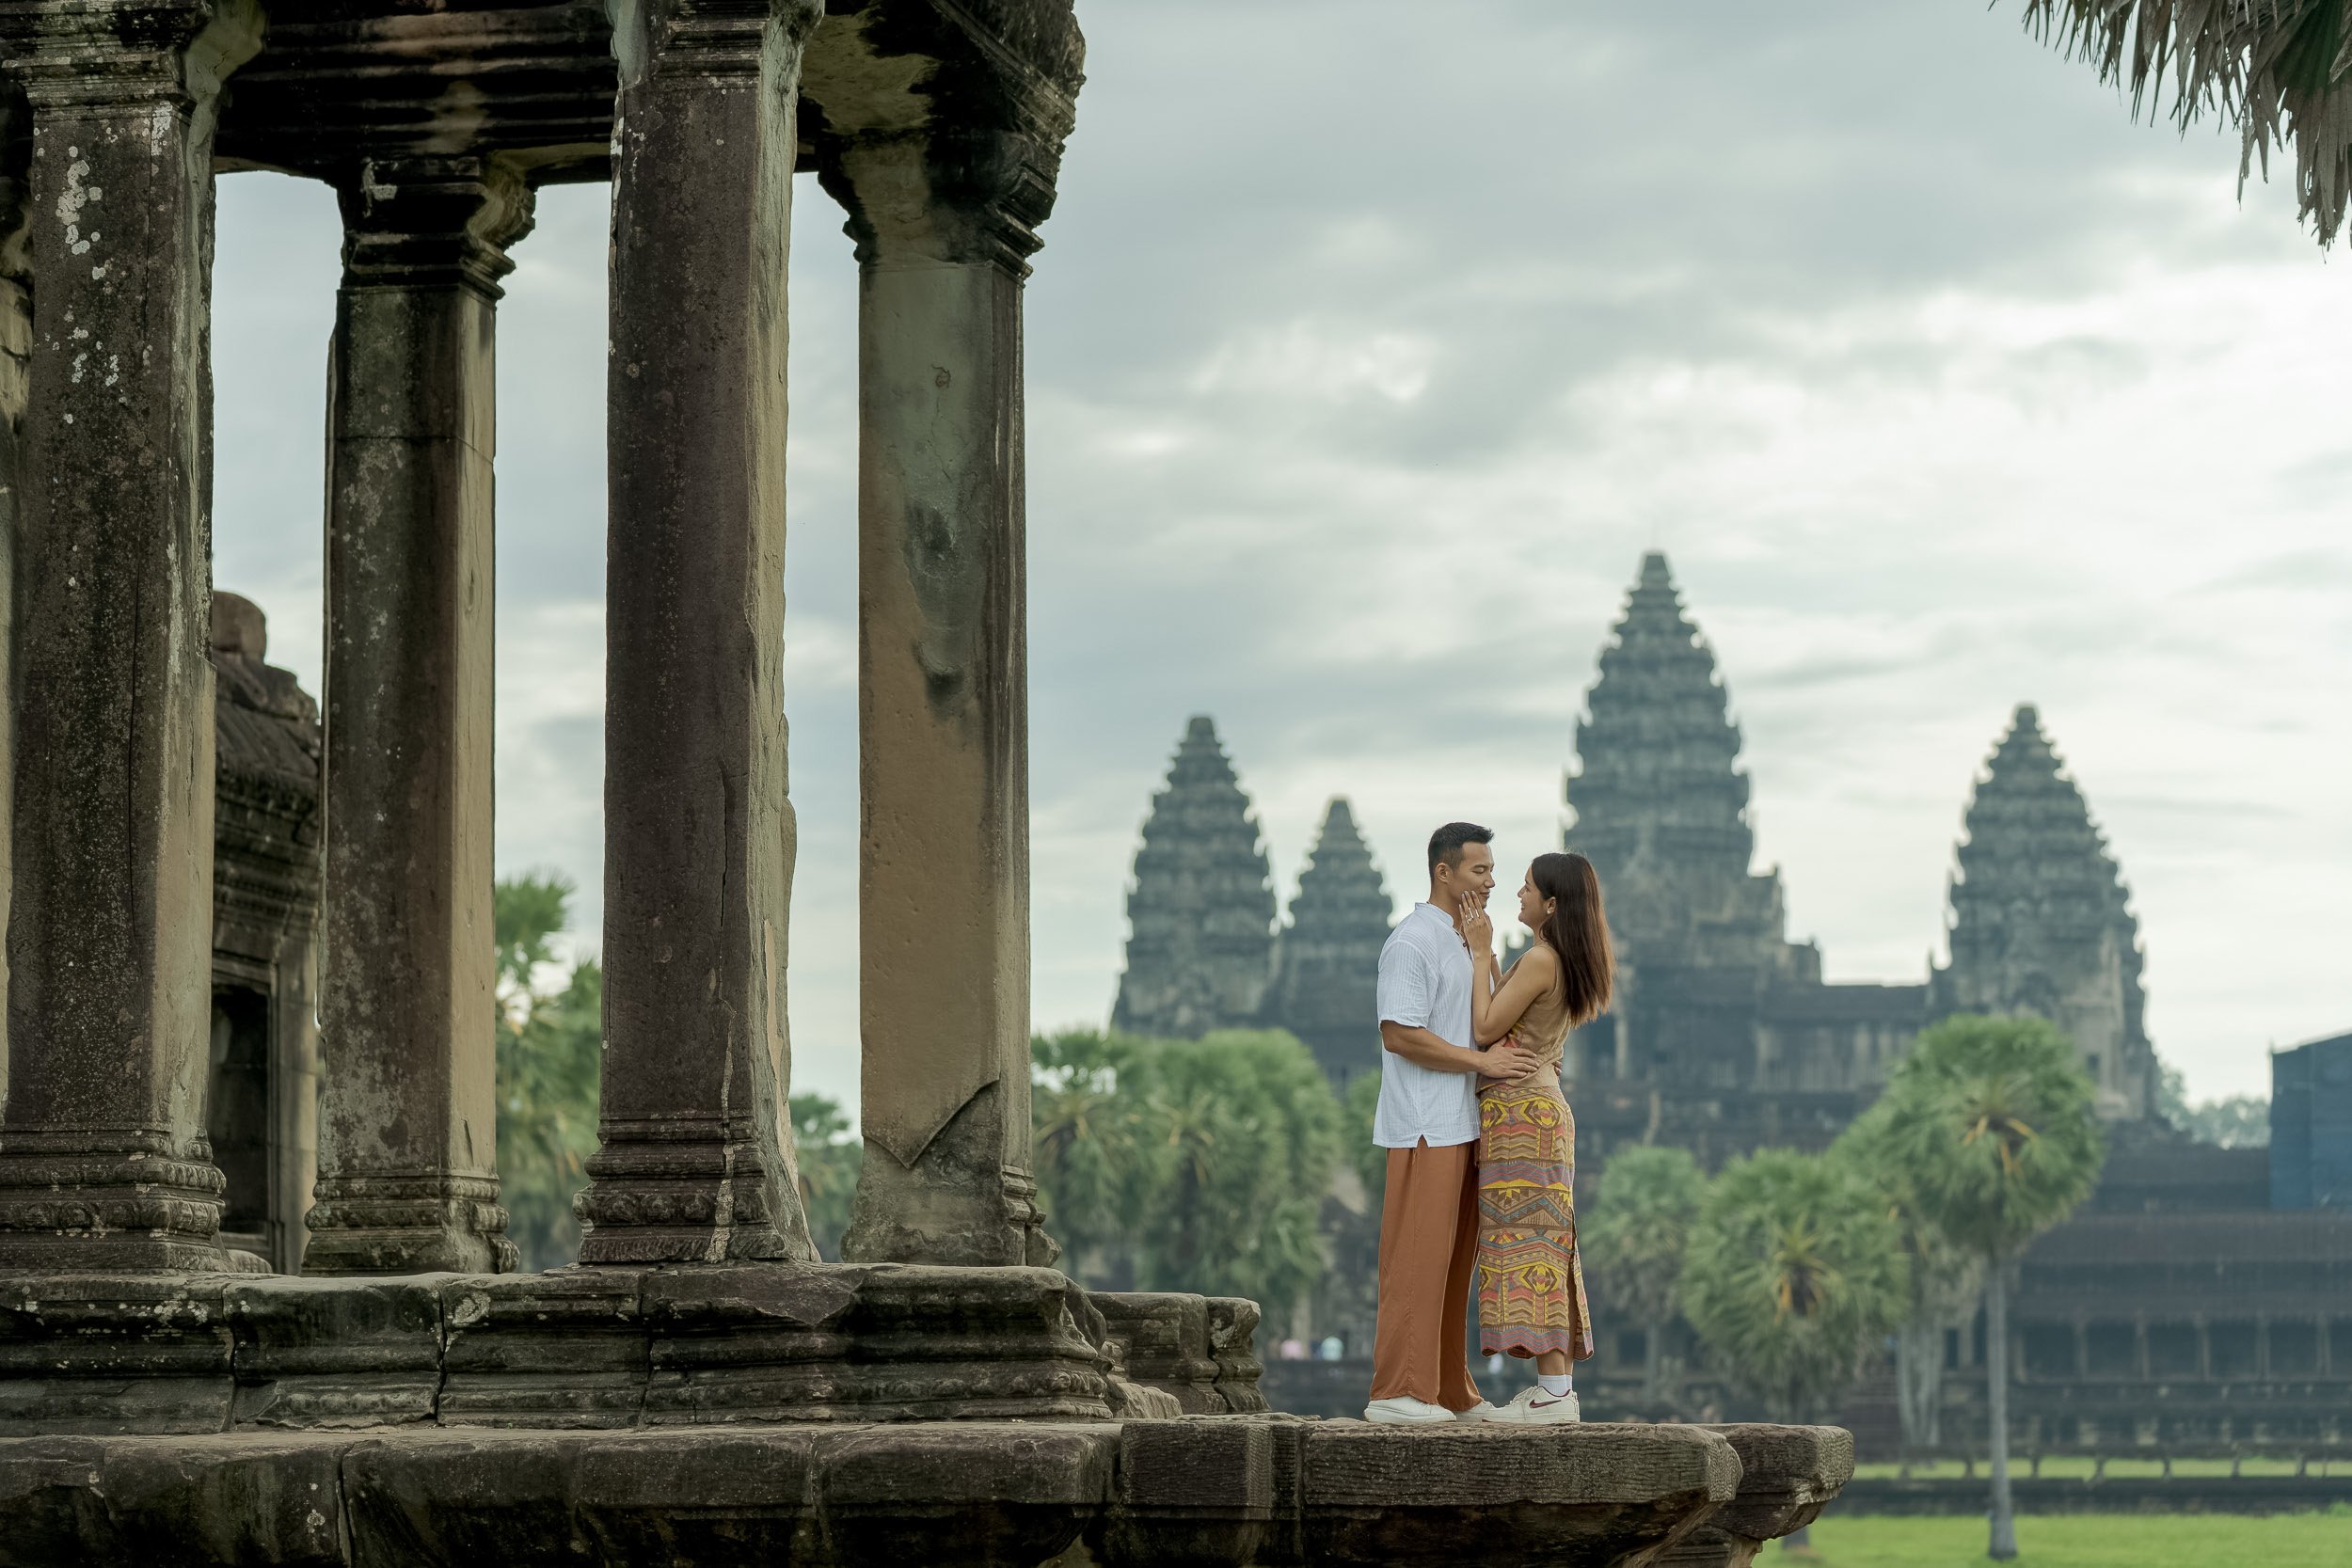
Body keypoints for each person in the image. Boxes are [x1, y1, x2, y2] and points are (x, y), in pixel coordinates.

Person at [1363, 822, 1538, 1424]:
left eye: (1492, 872)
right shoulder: (1411, 942)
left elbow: (1489, 1017)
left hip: (1466, 1121)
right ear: (1444, 872)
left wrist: (1485, 951)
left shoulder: (1466, 941)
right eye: (1478, 871)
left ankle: (1448, 1391)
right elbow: (1399, 1034)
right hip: (1424, 1124)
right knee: (1417, 1257)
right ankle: (1397, 1392)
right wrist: (1481, 1062)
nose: (1490, 883)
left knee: (1454, 1264)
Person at [1457, 851, 1614, 1424]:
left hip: (1521, 1116)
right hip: (1541, 1112)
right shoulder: (1560, 959)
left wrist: (1479, 953)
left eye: (1526, 888)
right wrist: (1493, 962)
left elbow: (1485, 1028)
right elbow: (1514, 1017)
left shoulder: (1543, 959)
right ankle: (1556, 1390)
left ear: (1551, 904)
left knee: (1529, 1245)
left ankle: (1552, 1393)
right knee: (1546, 1242)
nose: (1516, 894)